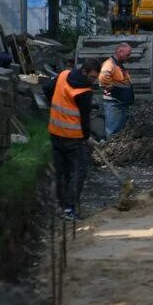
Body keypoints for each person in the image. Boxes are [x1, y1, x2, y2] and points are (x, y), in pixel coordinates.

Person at [44, 59, 101, 220]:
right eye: (92, 77)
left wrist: (54, 105)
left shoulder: (63, 75)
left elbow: (47, 88)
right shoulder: (84, 91)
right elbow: (85, 118)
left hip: (55, 132)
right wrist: (86, 137)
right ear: (84, 72)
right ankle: (69, 209)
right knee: (78, 171)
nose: (93, 81)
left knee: (61, 171)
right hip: (73, 138)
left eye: (95, 77)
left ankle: (61, 207)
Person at [99, 43, 134, 139]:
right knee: (113, 131)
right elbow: (103, 77)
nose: (128, 57)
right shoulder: (109, 64)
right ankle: (110, 151)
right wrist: (110, 87)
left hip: (120, 102)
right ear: (120, 52)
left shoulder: (118, 65)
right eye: (127, 55)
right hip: (113, 103)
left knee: (119, 130)